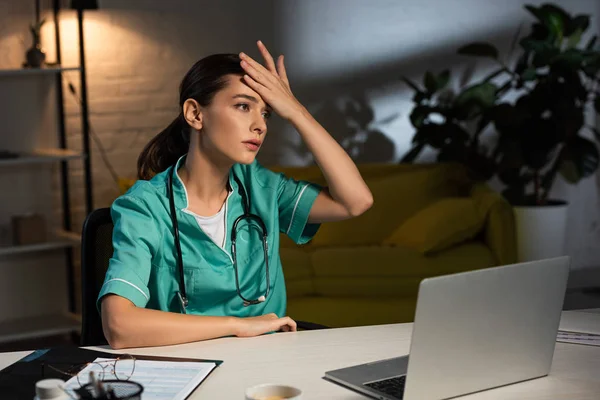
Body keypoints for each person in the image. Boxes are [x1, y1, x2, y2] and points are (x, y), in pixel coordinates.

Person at [99, 41, 373, 349]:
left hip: (266, 364)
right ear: (195, 114)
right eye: (243, 106)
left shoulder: (261, 187)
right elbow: (118, 326)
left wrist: (296, 112)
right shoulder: (146, 206)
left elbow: (356, 201)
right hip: (190, 366)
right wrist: (237, 327)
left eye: (267, 113)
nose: (259, 126)